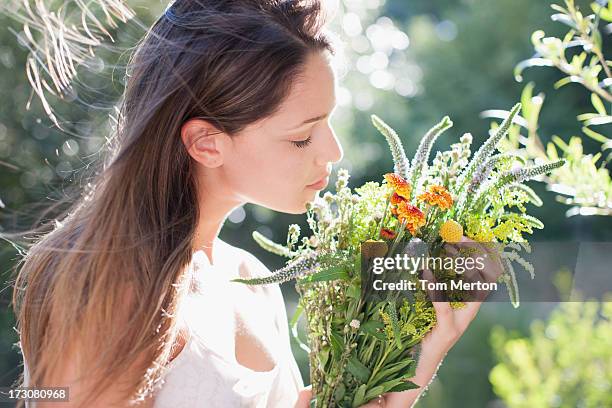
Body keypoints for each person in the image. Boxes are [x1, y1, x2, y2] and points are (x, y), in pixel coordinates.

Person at [11, 0, 501, 407]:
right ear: (206, 143)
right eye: (302, 137)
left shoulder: (250, 280)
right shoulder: (108, 285)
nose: (333, 152)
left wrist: (414, 364)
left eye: (327, 122)